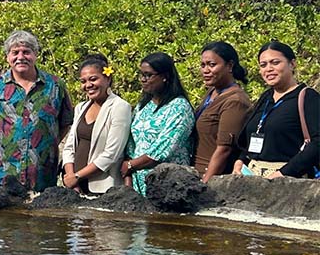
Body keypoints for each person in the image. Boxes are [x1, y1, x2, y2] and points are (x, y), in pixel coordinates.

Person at [0, 30, 74, 191]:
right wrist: (10, 141)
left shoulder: (55, 86)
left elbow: (65, 123)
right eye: (15, 52)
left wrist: (41, 140)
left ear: (35, 55)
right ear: (7, 57)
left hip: (42, 174)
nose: (20, 57)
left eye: (26, 52)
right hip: (3, 173)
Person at [233, 41, 319, 179]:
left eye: (275, 62)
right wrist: (240, 160)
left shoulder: (307, 97)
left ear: (292, 64)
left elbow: (317, 143)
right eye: (263, 65)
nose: (269, 69)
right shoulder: (266, 97)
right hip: (252, 177)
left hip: (289, 181)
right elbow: (255, 133)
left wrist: (283, 173)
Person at [121, 51, 195, 195]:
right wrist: (128, 176)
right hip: (137, 181)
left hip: (166, 183)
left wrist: (130, 165)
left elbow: (163, 149)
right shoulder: (143, 106)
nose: (143, 79)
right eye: (141, 74)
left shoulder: (179, 107)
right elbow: (131, 144)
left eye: (148, 75)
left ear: (165, 77)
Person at [61, 55, 132, 194]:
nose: (88, 85)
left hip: (102, 187)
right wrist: (70, 177)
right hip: (75, 187)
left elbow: (111, 154)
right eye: (83, 81)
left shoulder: (120, 107)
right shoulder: (81, 108)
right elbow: (69, 147)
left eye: (93, 79)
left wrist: (77, 176)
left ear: (108, 78)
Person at [194, 41, 252, 182]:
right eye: (203, 65)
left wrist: (205, 185)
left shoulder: (235, 101)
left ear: (229, 66)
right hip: (195, 172)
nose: (206, 70)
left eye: (212, 65)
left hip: (212, 177)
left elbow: (224, 150)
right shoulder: (212, 92)